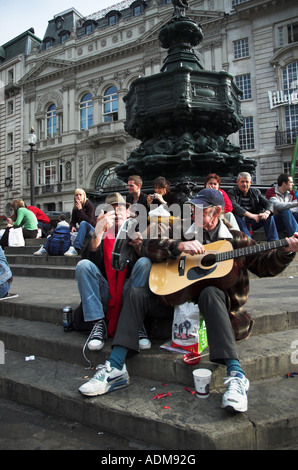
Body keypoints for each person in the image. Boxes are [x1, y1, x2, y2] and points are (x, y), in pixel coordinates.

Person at [78, 188, 298, 413]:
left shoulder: (236, 239)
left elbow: (264, 265)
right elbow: (148, 245)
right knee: (136, 293)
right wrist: (177, 246)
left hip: (214, 311)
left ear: (217, 212)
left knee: (211, 292)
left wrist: (286, 252)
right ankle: (115, 368)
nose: (193, 214)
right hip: (175, 305)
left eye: (200, 210)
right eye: (193, 209)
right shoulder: (183, 230)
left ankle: (236, 375)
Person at [75, 192, 152, 357]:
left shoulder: (136, 232)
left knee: (145, 263)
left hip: (127, 293)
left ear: (127, 213)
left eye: (121, 209)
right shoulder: (99, 234)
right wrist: (97, 233)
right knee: (83, 266)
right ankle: (97, 322)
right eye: (112, 209)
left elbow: (142, 267)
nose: (117, 212)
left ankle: (136, 320)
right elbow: (90, 263)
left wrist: (139, 248)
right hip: (105, 293)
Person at [228, 172, 279, 241]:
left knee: (269, 215)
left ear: (250, 182)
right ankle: (249, 242)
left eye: (247, 182)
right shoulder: (232, 192)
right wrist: (250, 215)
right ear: (237, 182)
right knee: (238, 216)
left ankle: (274, 241)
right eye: (242, 182)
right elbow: (235, 206)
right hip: (241, 222)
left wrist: (266, 213)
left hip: (255, 221)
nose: (245, 184)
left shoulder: (256, 192)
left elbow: (268, 203)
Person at [64, 188, 96, 256]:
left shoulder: (89, 205)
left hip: (92, 230)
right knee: (62, 227)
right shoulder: (75, 208)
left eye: (80, 195)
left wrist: (80, 210)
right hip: (82, 229)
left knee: (83, 223)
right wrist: (72, 226)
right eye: (76, 195)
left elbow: (89, 221)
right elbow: (73, 221)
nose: (78, 197)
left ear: (84, 196)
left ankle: (76, 248)